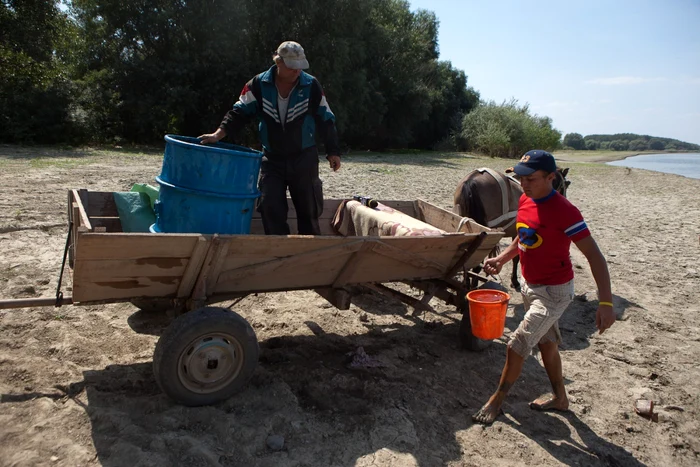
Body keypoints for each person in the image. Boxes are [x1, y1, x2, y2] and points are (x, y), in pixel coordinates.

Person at [472, 149, 616, 425]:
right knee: (548, 344)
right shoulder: (526, 200)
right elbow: (524, 236)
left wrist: (606, 303)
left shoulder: (566, 212)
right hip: (528, 285)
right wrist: (503, 258)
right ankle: (561, 399)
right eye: (520, 177)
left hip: (554, 293)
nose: (523, 184)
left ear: (551, 177)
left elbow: (595, 257)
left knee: (516, 345)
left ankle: (496, 401)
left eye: (531, 179)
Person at [199, 41, 341, 235]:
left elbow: (326, 119)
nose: (297, 71)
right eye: (292, 67)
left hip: (304, 158)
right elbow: (239, 113)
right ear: (278, 62)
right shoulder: (258, 84)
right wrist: (218, 135)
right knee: (269, 207)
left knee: (309, 210)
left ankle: (309, 260)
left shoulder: (311, 85)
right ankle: (278, 255)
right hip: (272, 158)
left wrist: (333, 151)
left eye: (301, 67)